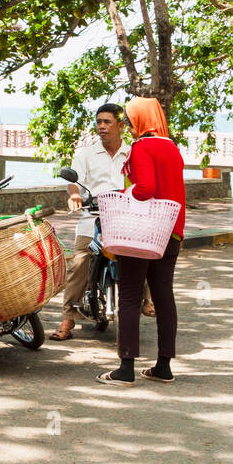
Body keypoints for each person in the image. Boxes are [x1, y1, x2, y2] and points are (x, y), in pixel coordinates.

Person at [98, 97, 185, 385]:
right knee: (164, 296)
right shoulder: (172, 148)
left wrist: (126, 196)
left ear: (141, 120)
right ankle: (163, 366)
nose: (131, 125)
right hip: (171, 231)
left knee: (131, 297)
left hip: (144, 232)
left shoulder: (142, 147)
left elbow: (146, 188)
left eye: (132, 119)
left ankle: (126, 368)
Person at [52, 103, 130, 341]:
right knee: (79, 263)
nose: (102, 127)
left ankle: (146, 299)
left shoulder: (133, 152)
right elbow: (73, 181)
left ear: (121, 126)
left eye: (107, 122)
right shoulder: (85, 153)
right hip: (92, 217)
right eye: (99, 122)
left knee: (139, 258)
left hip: (124, 218)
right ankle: (68, 319)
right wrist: (74, 194)